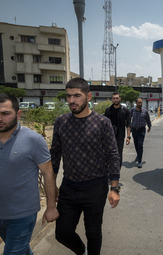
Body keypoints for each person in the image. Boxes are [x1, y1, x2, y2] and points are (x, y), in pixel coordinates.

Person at [50, 78, 121, 255]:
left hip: (95, 188)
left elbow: (112, 155)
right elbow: (55, 156)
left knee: (93, 232)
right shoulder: (61, 122)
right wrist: (52, 187)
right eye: (68, 96)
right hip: (69, 187)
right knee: (62, 233)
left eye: (77, 96)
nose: (72, 101)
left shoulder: (102, 123)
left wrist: (115, 188)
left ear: (88, 96)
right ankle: (82, 251)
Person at [0, 94, 59, 255]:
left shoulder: (33, 140)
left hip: (23, 214)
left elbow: (48, 172)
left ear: (18, 114)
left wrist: (51, 207)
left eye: (5, 113)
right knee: (19, 249)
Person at [104, 92, 131, 167]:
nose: (115, 100)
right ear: (112, 99)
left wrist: (128, 137)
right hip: (110, 136)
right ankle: (110, 171)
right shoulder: (108, 110)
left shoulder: (125, 110)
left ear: (120, 99)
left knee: (119, 154)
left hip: (120, 136)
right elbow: (105, 125)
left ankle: (117, 173)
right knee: (109, 154)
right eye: (114, 98)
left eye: (117, 98)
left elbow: (128, 124)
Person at [130, 98, 151, 168]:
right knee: (136, 144)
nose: (140, 104)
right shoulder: (132, 110)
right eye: (139, 103)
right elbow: (128, 118)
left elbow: (148, 119)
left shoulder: (145, 111)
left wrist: (149, 127)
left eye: (141, 103)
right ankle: (138, 155)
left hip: (142, 130)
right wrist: (129, 128)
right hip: (134, 130)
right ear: (136, 103)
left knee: (140, 144)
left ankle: (139, 161)